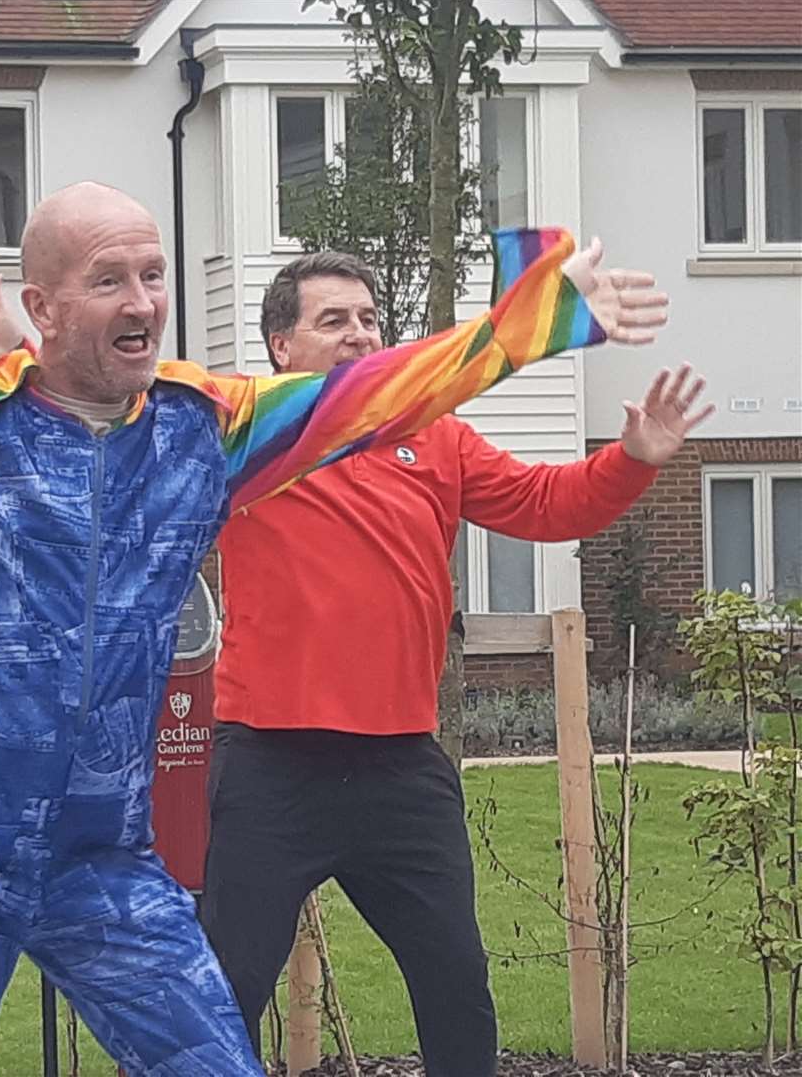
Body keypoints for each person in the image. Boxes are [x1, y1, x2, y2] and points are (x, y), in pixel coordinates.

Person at [0, 0, 668, 1071]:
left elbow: (367, 398)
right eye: (109, 281)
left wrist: (528, 324)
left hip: (101, 860)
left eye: (153, 275)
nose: (143, 302)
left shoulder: (202, 427)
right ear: (41, 305)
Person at [196, 251, 712, 1076]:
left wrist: (636, 457)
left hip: (401, 768)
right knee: (222, 996)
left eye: (369, 319)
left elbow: (549, 504)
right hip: (272, 765)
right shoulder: (250, 435)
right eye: (334, 321)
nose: (360, 335)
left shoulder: (433, 437)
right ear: (279, 346)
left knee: (456, 990)